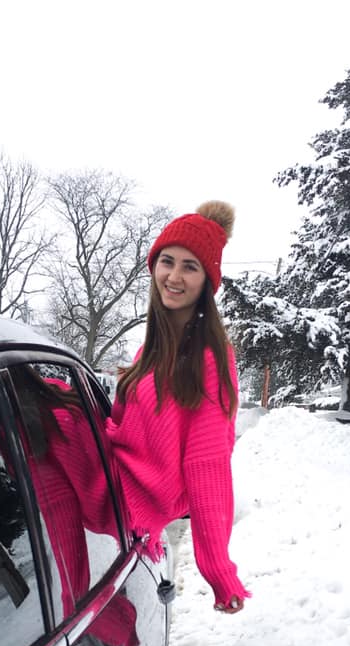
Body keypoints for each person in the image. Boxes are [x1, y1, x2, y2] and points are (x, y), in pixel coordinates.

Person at [107, 201, 250, 615]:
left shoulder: (210, 357)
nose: (173, 275)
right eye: (167, 261)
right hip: (115, 488)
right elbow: (122, 427)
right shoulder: (147, 351)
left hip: (134, 507)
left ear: (207, 280)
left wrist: (219, 572)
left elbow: (208, 465)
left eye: (190, 266)